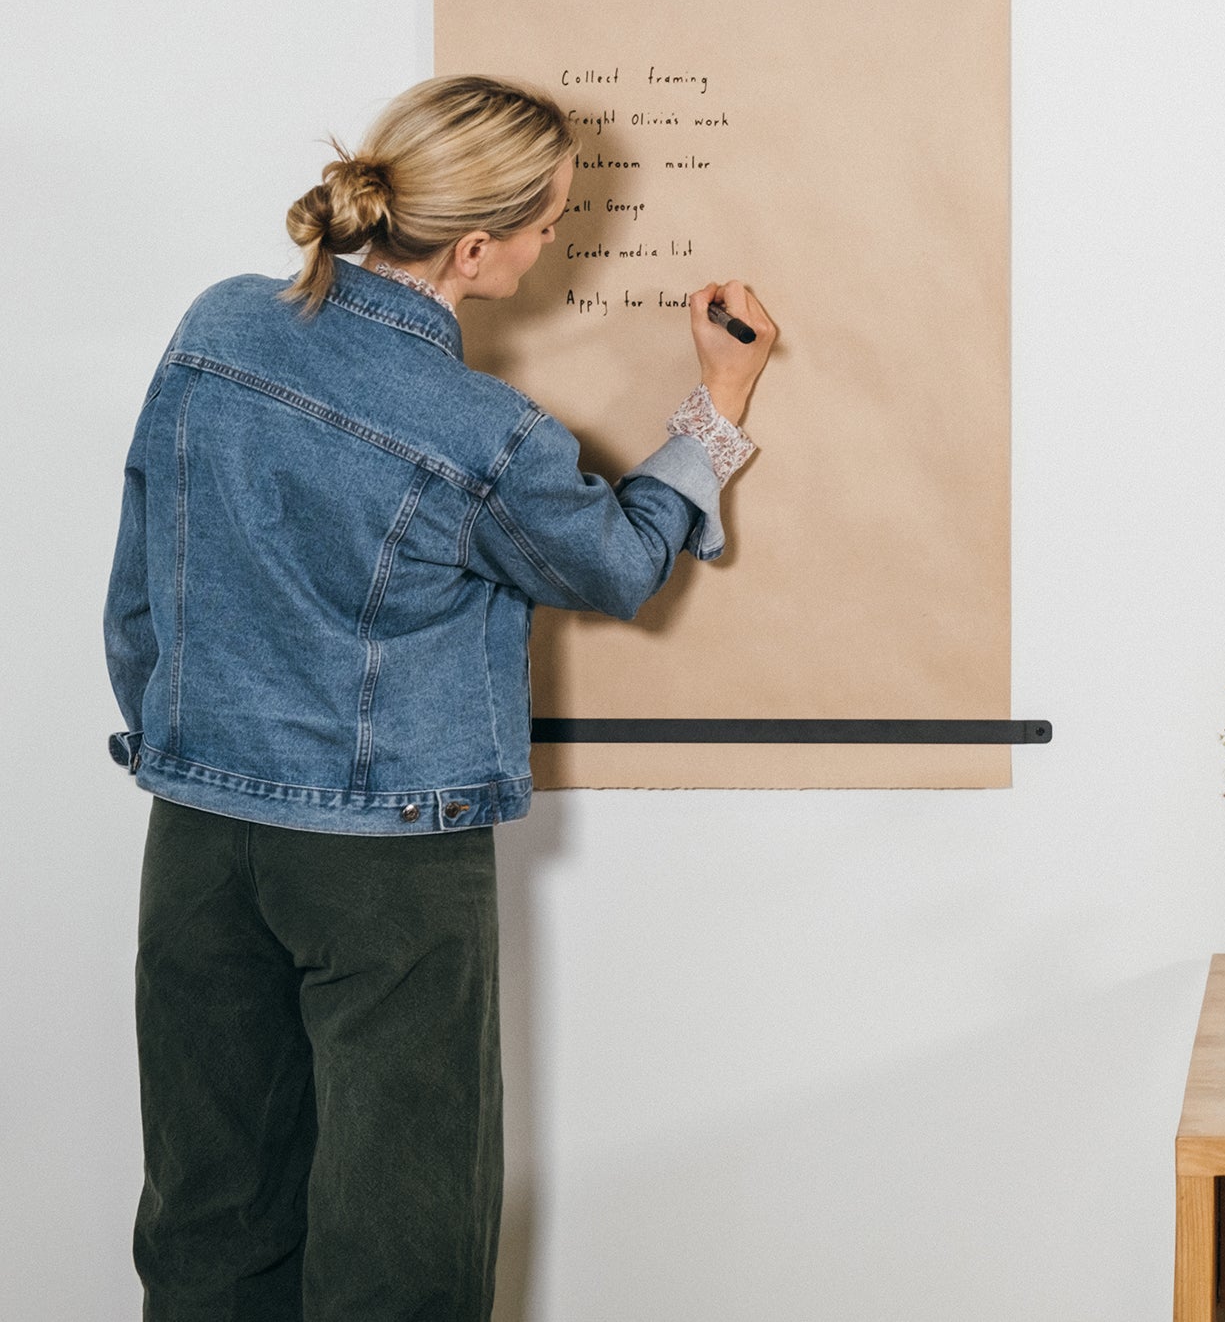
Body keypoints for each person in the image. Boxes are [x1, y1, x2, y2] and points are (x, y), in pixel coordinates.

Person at [103, 73, 776, 1321]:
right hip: (383, 867)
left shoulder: (218, 328)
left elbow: (140, 583)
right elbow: (620, 561)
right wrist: (716, 405)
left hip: (194, 832)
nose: (551, 247)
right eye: (549, 225)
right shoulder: (482, 432)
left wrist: (184, 740)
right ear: (475, 247)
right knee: (398, 1241)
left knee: (207, 1215)